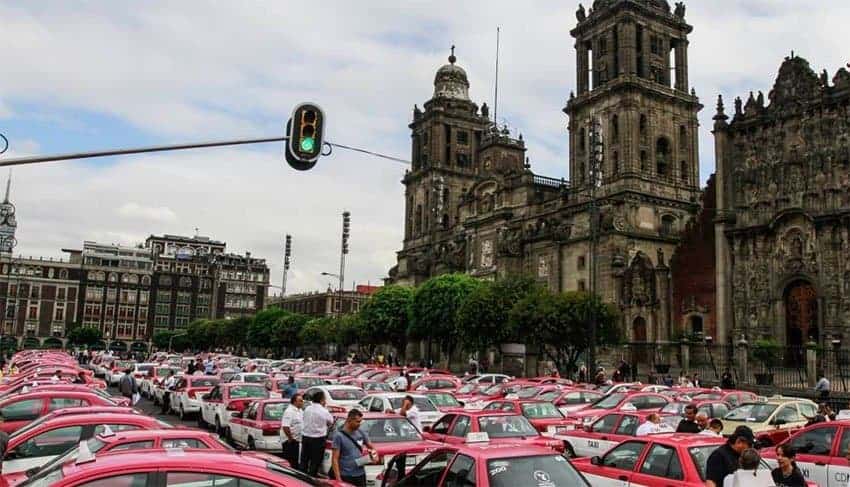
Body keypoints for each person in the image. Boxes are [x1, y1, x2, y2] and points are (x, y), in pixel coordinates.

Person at [331, 409, 376, 487]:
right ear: (349, 420)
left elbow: (371, 447)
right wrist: (338, 479)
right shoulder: (338, 436)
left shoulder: (361, 432)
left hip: (360, 474)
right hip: (346, 475)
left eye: (360, 422)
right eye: (357, 422)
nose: (359, 424)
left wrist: (374, 456)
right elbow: (335, 459)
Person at [300, 390, 335, 476]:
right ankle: (311, 479)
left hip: (306, 438)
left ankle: (301, 478)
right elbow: (331, 422)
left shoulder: (307, 409)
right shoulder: (324, 411)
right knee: (315, 461)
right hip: (318, 439)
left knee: (304, 460)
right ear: (321, 400)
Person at [281, 393, 305, 470]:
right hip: (290, 441)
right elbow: (285, 427)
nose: (302, 402)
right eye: (300, 401)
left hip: (298, 440)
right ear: (295, 402)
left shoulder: (300, 411)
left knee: (296, 462)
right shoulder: (289, 411)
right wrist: (291, 438)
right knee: (291, 463)